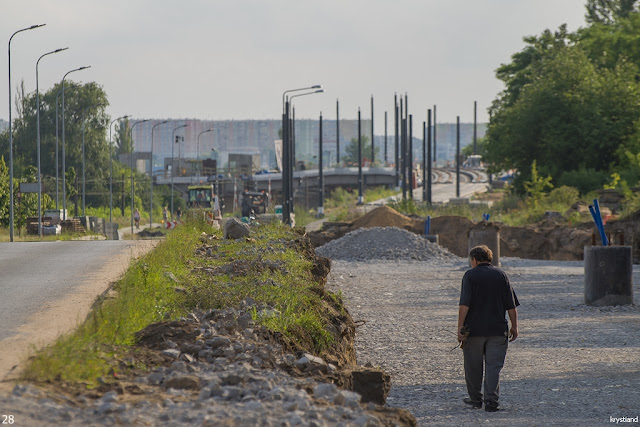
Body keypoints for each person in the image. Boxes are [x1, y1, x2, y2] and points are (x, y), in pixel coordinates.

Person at [458, 245, 519, 412]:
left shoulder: (470, 275)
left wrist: (460, 327)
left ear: (474, 260)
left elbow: (464, 304)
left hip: (474, 331)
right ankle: (491, 402)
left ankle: (475, 400)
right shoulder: (501, 275)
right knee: (493, 367)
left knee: (473, 367)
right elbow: (511, 305)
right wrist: (514, 326)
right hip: (498, 330)